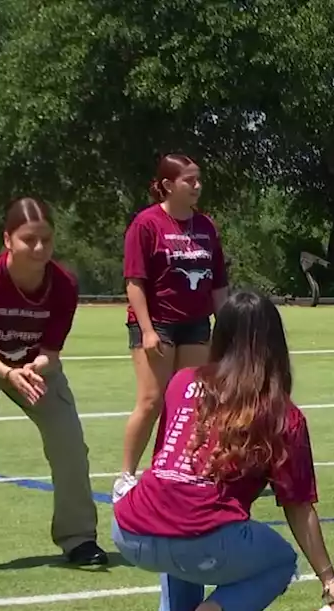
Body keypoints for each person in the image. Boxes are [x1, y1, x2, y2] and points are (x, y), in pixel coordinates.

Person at [111, 289, 334, 611]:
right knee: (279, 560)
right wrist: (329, 579)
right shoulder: (282, 414)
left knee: (182, 504)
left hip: (129, 530)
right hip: (196, 536)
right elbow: (298, 505)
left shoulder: (182, 381)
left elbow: (168, 471)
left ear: (218, 335)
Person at [0, 198, 107, 576]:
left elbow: (52, 352)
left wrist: (32, 369)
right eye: (28, 240)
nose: (39, 248)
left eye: (46, 239)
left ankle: (78, 537)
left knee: (69, 444)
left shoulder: (63, 285)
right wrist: (9, 373)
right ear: (8, 240)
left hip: (33, 366)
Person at [119, 153, 229, 490]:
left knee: (189, 403)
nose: (197, 186)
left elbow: (219, 284)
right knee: (152, 400)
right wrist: (148, 331)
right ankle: (125, 475)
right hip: (158, 325)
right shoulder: (146, 224)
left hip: (196, 325)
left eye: (198, 179)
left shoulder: (206, 226)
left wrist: (227, 330)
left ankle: (167, 471)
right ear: (167, 185)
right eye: (189, 180)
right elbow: (134, 281)